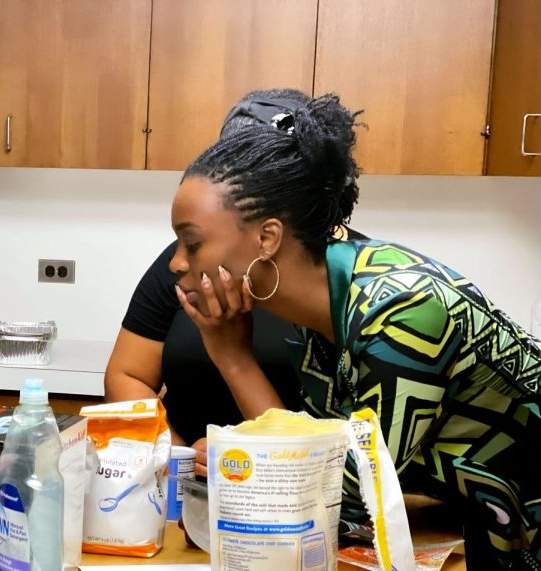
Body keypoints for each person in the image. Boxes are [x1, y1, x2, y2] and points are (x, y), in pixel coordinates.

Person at [169, 90, 541, 569]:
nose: (177, 263)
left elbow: (340, 498)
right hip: (491, 524)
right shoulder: (321, 311)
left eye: (191, 242)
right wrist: (230, 353)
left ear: (267, 237)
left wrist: (241, 468)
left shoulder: (401, 310)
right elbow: (314, 463)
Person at [106, 89, 356, 467]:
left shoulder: (344, 287)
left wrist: (240, 461)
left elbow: (344, 462)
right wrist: (179, 456)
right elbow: (126, 376)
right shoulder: (183, 266)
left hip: (294, 496)